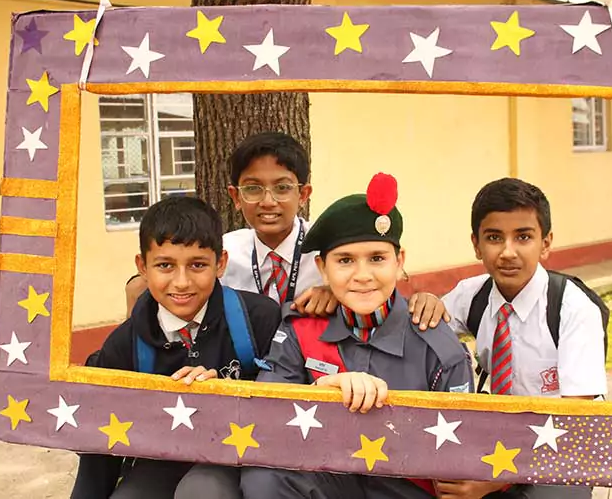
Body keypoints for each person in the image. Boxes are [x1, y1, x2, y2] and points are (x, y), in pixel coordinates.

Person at [236, 172, 474, 499]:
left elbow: (463, 442)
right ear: (322, 268)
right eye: (345, 261)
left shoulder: (436, 343)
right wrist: (322, 391)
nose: (363, 276)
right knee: (265, 478)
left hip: (405, 489)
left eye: (377, 258)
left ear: (399, 261)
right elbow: (266, 410)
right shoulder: (302, 328)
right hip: (332, 479)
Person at [70, 197, 281, 499]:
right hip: (162, 459)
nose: (181, 282)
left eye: (197, 265)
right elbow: (99, 439)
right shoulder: (124, 344)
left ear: (221, 263)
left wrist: (225, 391)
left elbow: (285, 403)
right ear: (142, 267)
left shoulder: (259, 319)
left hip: (236, 454)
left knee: (203, 492)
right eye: (165, 265)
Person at [125, 132, 448, 324]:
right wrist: (137, 286)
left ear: (303, 194)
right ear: (235, 197)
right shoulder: (224, 250)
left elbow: (380, 282)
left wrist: (338, 292)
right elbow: (168, 273)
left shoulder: (332, 248)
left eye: (282, 188)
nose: (268, 202)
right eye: (253, 189)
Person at [429, 178, 605, 499]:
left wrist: (497, 478)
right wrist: (422, 303)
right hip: (493, 436)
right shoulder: (471, 295)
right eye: (494, 237)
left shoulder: (573, 308)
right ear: (476, 244)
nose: (507, 252)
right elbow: (416, 331)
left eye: (523, 237)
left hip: (559, 444)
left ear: (546, 243)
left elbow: (576, 413)